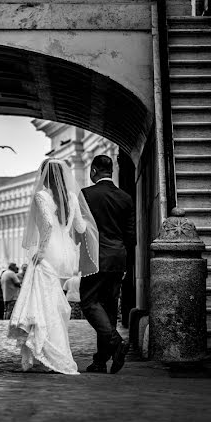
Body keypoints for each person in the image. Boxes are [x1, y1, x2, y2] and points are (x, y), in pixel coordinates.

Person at [8, 158, 100, 375]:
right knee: (55, 301)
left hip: (49, 251)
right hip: (67, 253)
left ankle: (51, 350)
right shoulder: (72, 197)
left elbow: (48, 224)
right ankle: (52, 348)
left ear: (45, 176)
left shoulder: (42, 196)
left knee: (44, 301)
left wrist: (40, 250)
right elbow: (80, 226)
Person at [80, 155, 135, 374]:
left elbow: (81, 228)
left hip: (95, 257)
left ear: (93, 171)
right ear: (111, 171)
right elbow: (131, 236)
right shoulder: (125, 197)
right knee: (110, 308)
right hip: (118, 258)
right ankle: (100, 361)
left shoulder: (86, 195)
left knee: (89, 302)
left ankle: (116, 343)